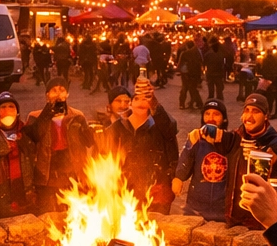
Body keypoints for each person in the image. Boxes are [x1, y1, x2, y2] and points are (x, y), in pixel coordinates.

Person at [223, 93, 277, 230]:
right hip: (233, 218)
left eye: (256, 111)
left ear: (266, 115)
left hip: (261, 223)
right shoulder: (236, 137)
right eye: (246, 110)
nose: (249, 116)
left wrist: (274, 165)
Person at [105, 81, 178, 211]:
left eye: (146, 99)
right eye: (137, 98)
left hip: (155, 192)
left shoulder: (161, 126)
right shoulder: (116, 128)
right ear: (131, 104)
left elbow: (171, 131)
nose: (141, 102)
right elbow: (105, 158)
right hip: (124, 192)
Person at [24, 80, 95, 213]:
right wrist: (47, 113)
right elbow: (34, 136)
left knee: (73, 212)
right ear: (47, 95)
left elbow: (89, 142)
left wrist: (91, 132)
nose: (58, 94)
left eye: (62, 90)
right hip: (46, 171)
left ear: (67, 94)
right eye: (54, 90)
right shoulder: (35, 116)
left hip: (71, 170)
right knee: (47, 213)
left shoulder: (77, 116)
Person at [173, 100, 235, 222]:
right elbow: (185, 164)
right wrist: (178, 177)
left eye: (216, 114)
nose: (211, 118)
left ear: (224, 119)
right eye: (207, 114)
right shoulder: (196, 138)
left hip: (222, 210)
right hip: (195, 208)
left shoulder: (231, 141)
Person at [178, 37, 205, 110]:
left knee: (187, 89)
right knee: (190, 89)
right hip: (191, 75)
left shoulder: (187, 53)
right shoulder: (194, 53)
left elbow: (180, 65)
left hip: (188, 74)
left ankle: (185, 104)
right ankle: (196, 103)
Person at [203, 38, 229, 102]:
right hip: (218, 73)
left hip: (210, 73)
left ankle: (211, 98)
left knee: (211, 87)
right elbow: (224, 62)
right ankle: (219, 99)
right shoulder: (221, 53)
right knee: (219, 88)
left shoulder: (208, 54)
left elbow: (204, 63)